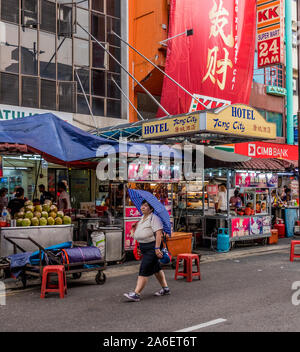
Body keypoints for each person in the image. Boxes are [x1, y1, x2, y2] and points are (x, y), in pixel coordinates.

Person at [124, 200, 170, 302]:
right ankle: (165, 288)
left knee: (144, 269)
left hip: (152, 247)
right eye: (142, 205)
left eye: (146, 206)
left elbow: (159, 234)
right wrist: (133, 229)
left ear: (151, 209)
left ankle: (136, 293)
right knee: (156, 269)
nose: (143, 207)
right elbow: (137, 234)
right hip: (144, 247)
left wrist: (157, 248)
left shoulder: (154, 218)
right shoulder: (142, 218)